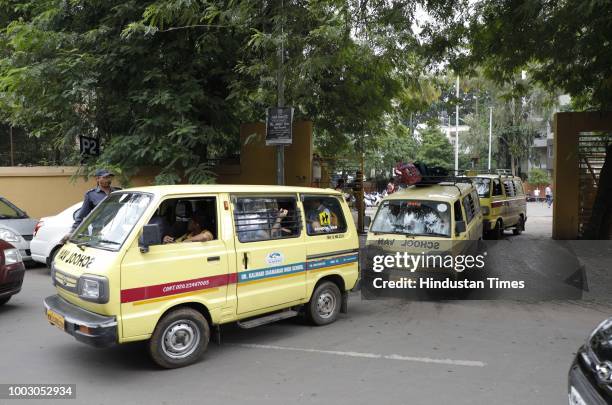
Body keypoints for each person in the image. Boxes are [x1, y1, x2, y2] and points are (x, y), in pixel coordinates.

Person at [62, 169, 121, 242]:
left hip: (118, 231)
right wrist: (72, 232)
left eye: (109, 177)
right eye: (105, 177)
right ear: (97, 179)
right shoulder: (91, 195)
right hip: (99, 231)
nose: (108, 179)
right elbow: (82, 215)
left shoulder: (119, 192)